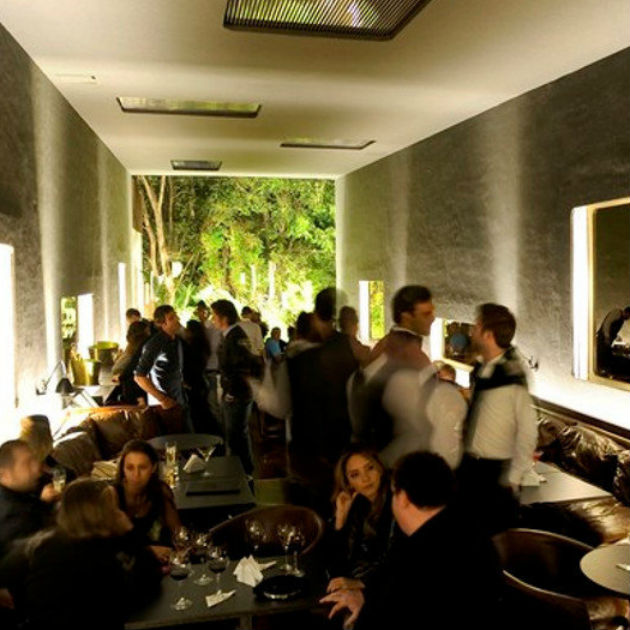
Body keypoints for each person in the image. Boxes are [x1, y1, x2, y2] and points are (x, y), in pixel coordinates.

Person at [321, 452, 501, 630]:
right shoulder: (471, 532)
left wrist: (366, 602)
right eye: (355, 474)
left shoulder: (413, 559)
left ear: (403, 499)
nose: (366, 478)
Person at [0, 478, 161, 630]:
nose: (118, 513)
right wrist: (129, 532)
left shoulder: (47, 540)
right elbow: (146, 584)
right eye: (112, 508)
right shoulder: (96, 555)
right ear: (98, 513)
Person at [349, 286, 466, 469]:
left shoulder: (385, 344)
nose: (433, 318)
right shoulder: (411, 356)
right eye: (426, 314)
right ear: (406, 316)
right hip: (392, 459)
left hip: (373, 451)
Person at [457, 303, 537, 535]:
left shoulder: (512, 375)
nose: (472, 331)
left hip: (495, 475)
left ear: (488, 334)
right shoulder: (483, 370)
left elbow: (528, 431)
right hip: (470, 468)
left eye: (477, 326)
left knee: (493, 541)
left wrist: (514, 477)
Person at [326, 447, 393, 590]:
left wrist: (362, 583)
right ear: (348, 483)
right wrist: (340, 519)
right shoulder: (358, 506)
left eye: (370, 468)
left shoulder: (397, 501)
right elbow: (335, 569)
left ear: (380, 469)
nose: (365, 478)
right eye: (355, 475)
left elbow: (399, 561)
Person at [113, 440, 181, 563]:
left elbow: (178, 534)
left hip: (162, 563)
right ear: (122, 469)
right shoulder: (112, 495)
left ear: (153, 468)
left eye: (142, 467)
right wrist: (148, 551)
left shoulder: (161, 491)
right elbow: (108, 546)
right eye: (130, 468)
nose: (136, 474)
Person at [212, 299, 258, 474]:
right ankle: (242, 473)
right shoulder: (230, 335)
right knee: (236, 435)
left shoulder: (236, 337)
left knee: (236, 437)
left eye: (215, 316)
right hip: (233, 392)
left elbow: (242, 367)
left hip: (238, 394)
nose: (213, 320)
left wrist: (231, 392)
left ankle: (243, 474)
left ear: (224, 318)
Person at [134, 304, 189, 433]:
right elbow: (139, 376)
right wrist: (163, 399)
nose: (177, 319)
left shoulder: (177, 340)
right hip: (164, 406)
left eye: (176, 316)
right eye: (171, 318)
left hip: (179, 400)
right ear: (162, 324)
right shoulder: (155, 344)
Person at [0, 440, 59, 557]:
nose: (37, 467)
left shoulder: (22, 489)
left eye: (35, 460)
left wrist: (44, 503)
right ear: (4, 475)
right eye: (27, 463)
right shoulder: (15, 521)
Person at [195, 300, 223, 435]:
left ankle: (219, 433)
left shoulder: (212, 328)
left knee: (213, 404)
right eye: (198, 311)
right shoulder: (203, 328)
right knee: (207, 404)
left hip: (211, 369)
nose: (200, 314)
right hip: (204, 370)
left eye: (202, 311)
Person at [183, 319, 215, 433]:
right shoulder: (202, 344)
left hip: (195, 383)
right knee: (204, 411)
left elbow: (191, 367)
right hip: (201, 381)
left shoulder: (193, 346)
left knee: (199, 413)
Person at [111, 320, 151, 405]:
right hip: (136, 390)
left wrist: (120, 377)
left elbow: (126, 368)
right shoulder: (141, 346)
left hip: (132, 390)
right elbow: (132, 367)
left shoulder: (132, 347)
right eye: (148, 330)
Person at [596, 306, 630, 375]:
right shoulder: (617, 313)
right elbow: (607, 324)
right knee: (603, 356)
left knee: (606, 356)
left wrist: (616, 337)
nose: (628, 318)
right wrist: (606, 337)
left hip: (607, 339)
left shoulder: (621, 320)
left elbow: (613, 330)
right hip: (603, 338)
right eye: (629, 316)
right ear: (627, 312)